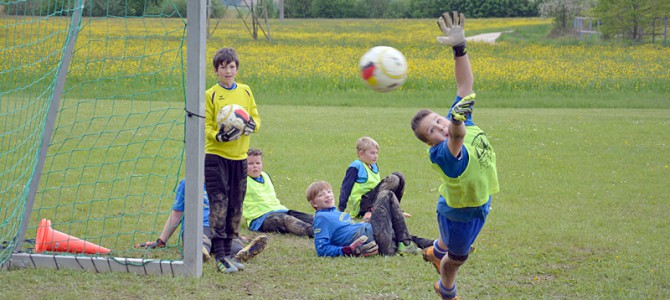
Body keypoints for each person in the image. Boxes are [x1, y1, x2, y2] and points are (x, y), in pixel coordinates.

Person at [410, 11, 499, 300]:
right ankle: (446, 288)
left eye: (438, 120)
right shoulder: (442, 154)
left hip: (476, 203)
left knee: (451, 244)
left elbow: (465, 86)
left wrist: (459, 48)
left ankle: (436, 249)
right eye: (432, 130)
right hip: (460, 214)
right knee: (458, 258)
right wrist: (456, 122)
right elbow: (457, 137)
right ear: (430, 143)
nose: (440, 126)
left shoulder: (456, 120)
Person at [204, 47, 261, 274]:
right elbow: (207, 125)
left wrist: (251, 126)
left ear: (236, 68)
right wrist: (217, 135)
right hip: (216, 157)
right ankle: (220, 256)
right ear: (216, 70)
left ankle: (228, 254)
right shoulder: (211, 94)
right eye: (223, 67)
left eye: (231, 67)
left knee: (236, 207)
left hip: (240, 158)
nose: (228, 71)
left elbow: (256, 118)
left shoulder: (246, 91)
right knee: (220, 205)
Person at [135, 179, 268, 266]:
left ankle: (241, 253)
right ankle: (199, 250)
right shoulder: (188, 183)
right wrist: (161, 241)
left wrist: (235, 232)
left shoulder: (224, 184)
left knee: (230, 241)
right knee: (199, 237)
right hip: (197, 226)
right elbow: (176, 214)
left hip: (220, 227)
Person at [338, 136, 425, 255]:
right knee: (393, 179)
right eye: (372, 153)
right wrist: (340, 210)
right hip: (363, 205)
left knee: (399, 176)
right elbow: (345, 187)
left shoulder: (373, 166)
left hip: (374, 202)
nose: (376, 156)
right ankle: (371, 210)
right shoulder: (356, 166)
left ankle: (394, 210)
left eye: (377, 153)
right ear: (361, 154)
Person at [243, 148, 314, 238]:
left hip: (280, 210)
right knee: (288, 220)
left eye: (258, 163)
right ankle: (315, 233)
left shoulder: (266, 176)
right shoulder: (241, 180)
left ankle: (331, 225)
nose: (255, 166)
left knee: (307, 217)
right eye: (250, 164)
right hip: (261, 218)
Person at [305, 180, 378, 257]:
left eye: (329, 192)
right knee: (386, 195)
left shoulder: (339, 214)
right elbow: (321, 249)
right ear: (313, 203)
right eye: (321, 195)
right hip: (364, 235)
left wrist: (365, 221)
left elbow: (350, 228)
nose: (327, 195)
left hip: (367, 229)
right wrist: (347, 250)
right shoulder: (322, 218)